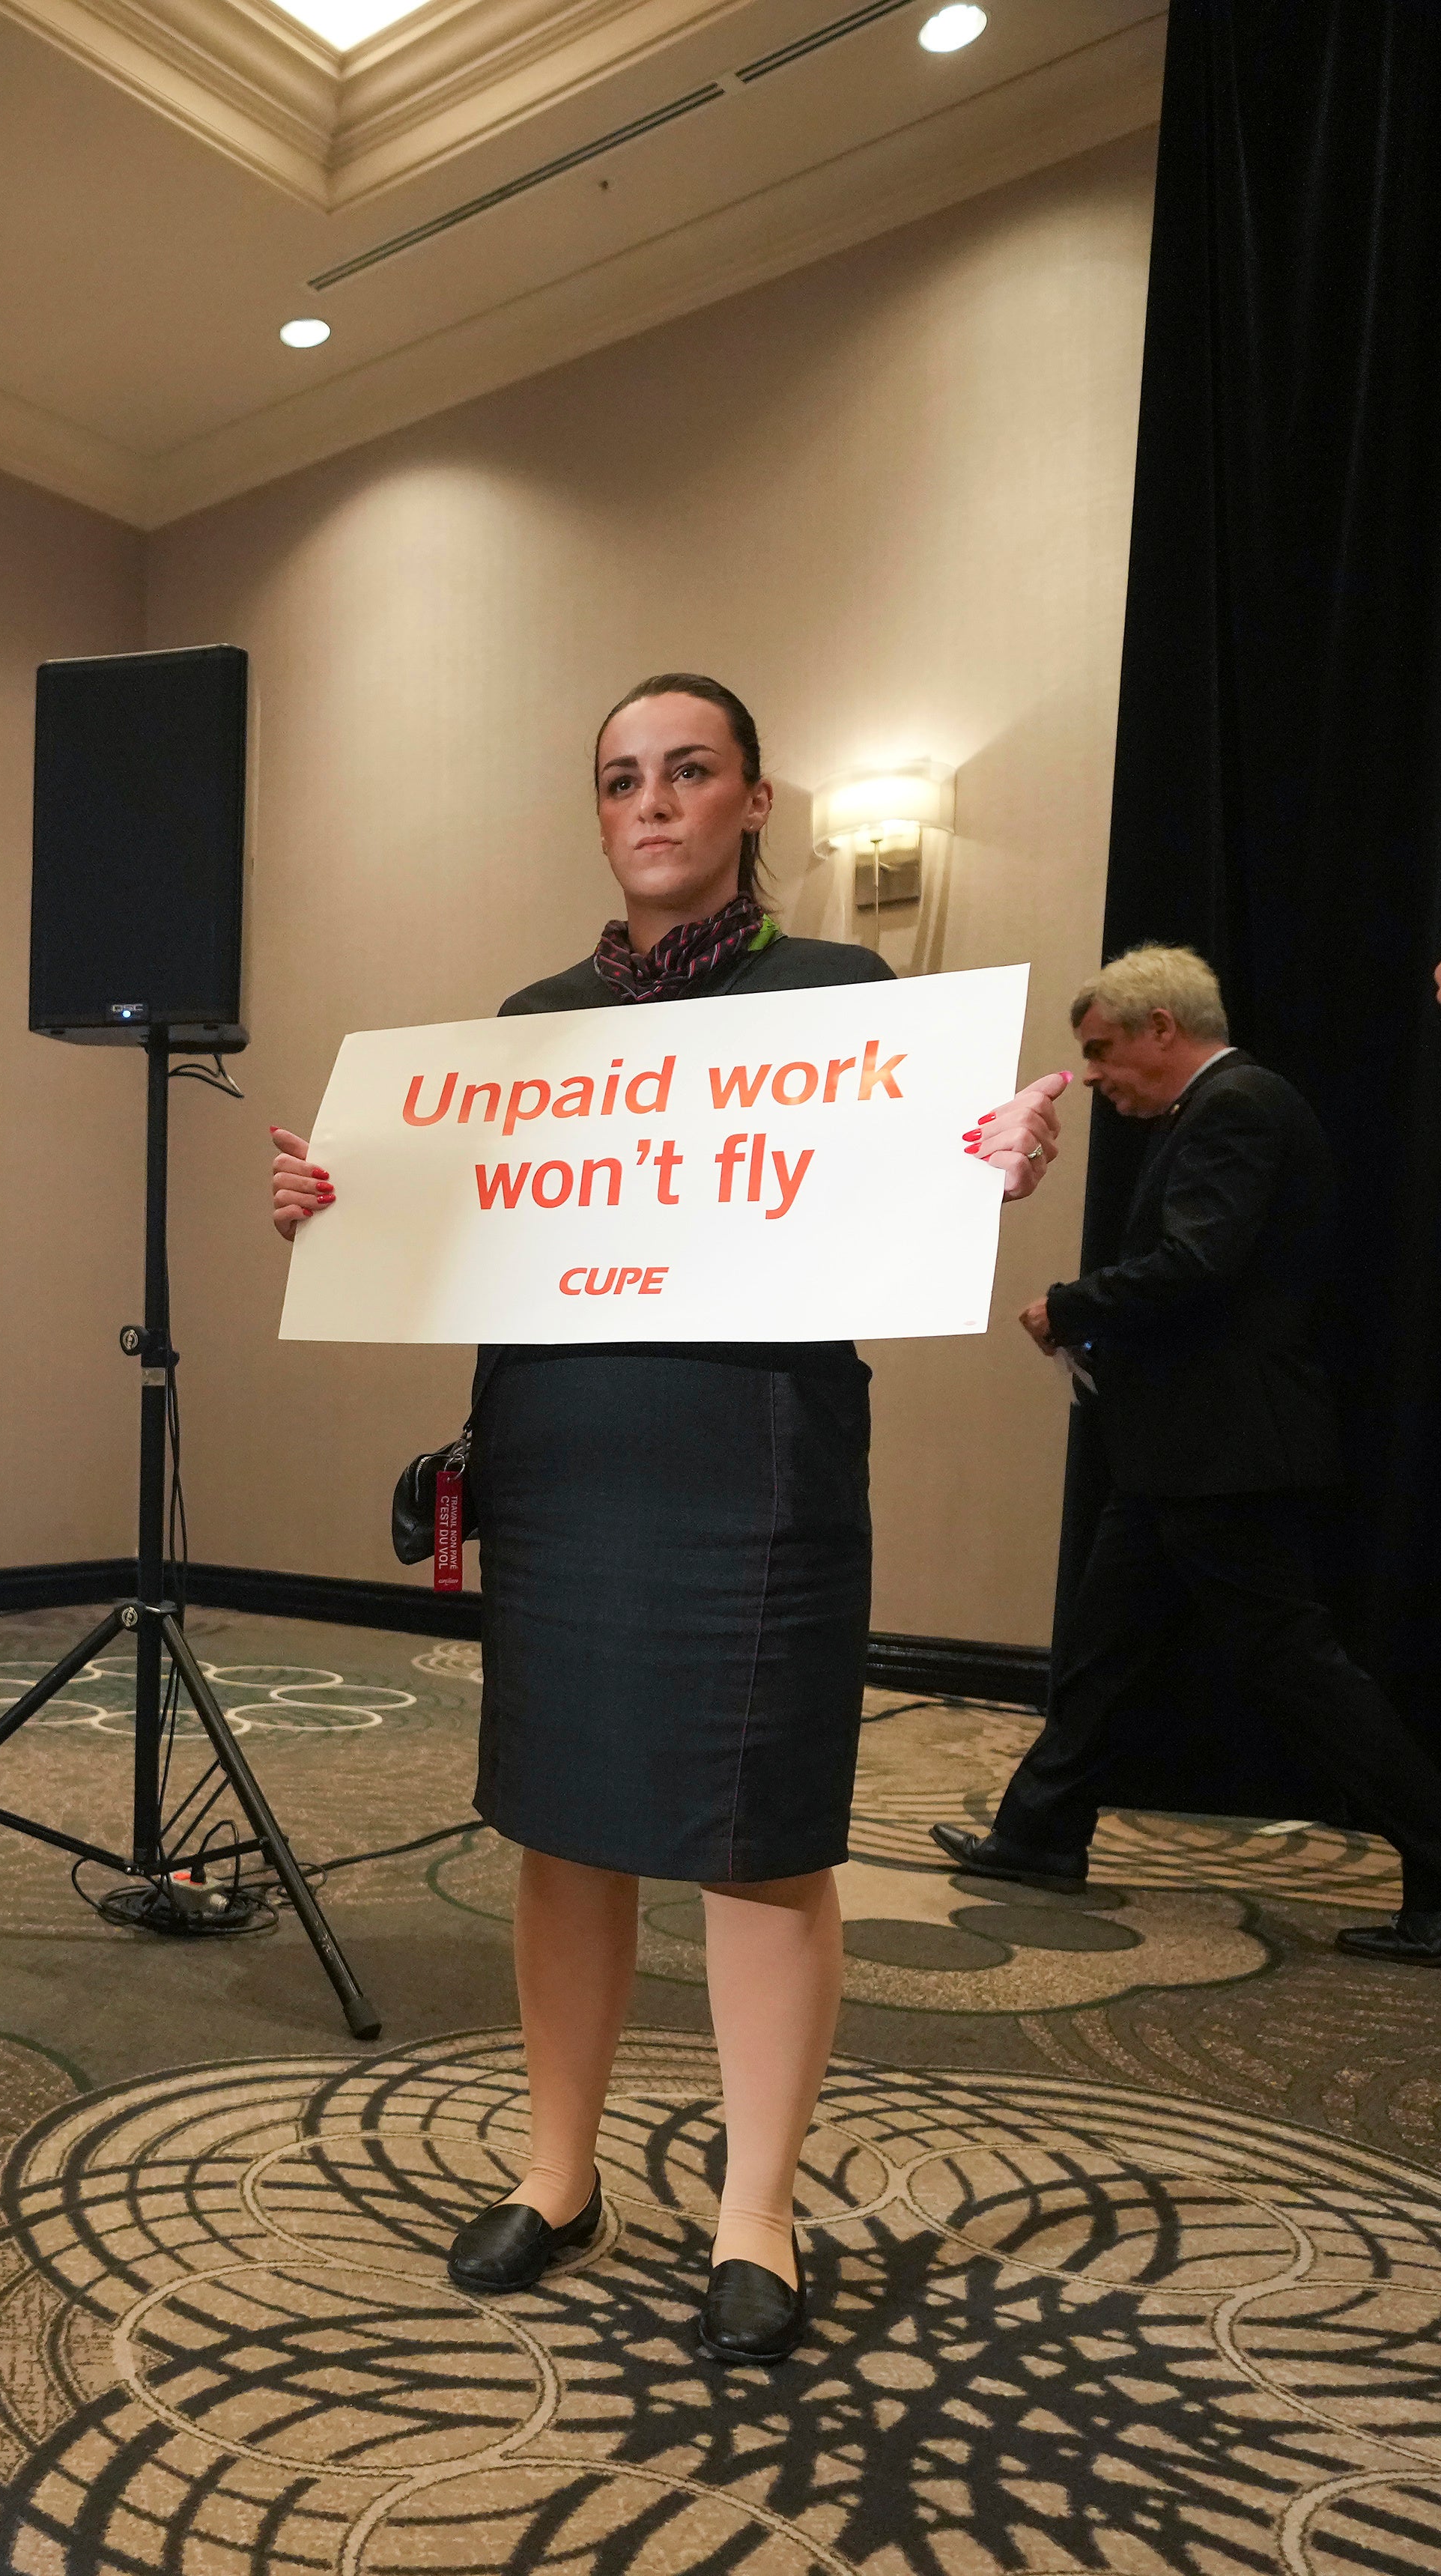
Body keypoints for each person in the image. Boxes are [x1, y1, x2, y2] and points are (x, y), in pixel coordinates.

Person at [270, 676, 1067, 2366]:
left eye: (688, 771)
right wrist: (346, 1207)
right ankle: (560, 2178)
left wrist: (989, 1157)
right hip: (567, 1453)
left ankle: (753, 2207)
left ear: (754, 803)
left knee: (758, 1831)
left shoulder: (840, 994)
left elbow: (909, 1179)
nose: (652, 802)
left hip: (752, 1455)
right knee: (564, 1820)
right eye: (622, 776)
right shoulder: (532, 1014)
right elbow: (469, 1223)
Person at [934, 947, 1441, 1963]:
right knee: (1106, 1646)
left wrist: (1070, 1305)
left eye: (1101, 1050)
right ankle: (1038, 1834)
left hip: (1228, 1445)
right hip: (1186, 1447)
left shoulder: (1237, 1106)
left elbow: (1200, 1264)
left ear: (1162, 1027)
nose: (1089, 1076)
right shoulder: (1218, 1110)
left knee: (1295, 1667)